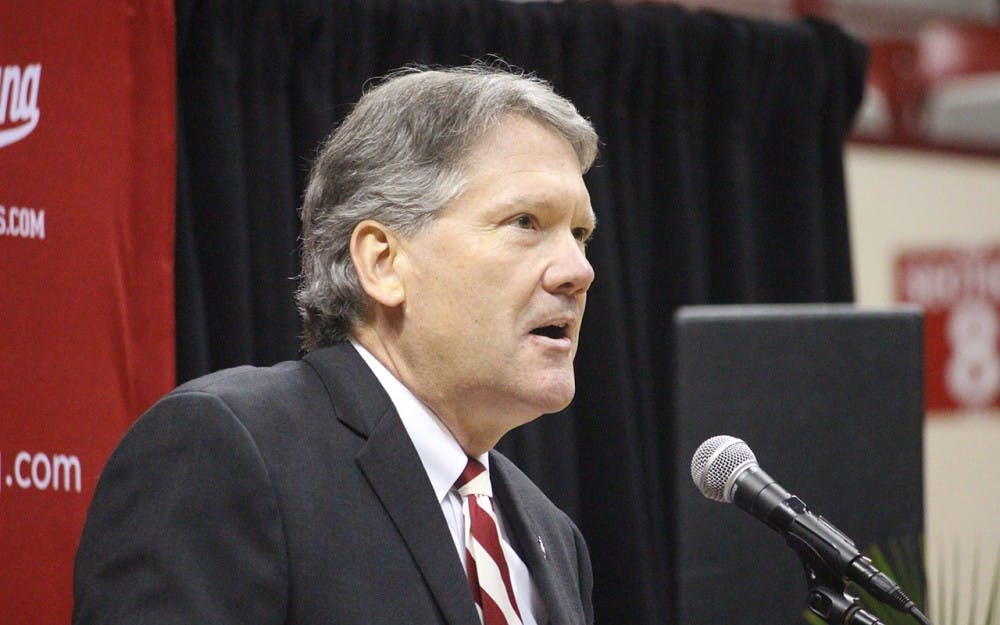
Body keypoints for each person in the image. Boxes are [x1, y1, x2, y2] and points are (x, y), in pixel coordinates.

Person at [73, 64, 599, 625]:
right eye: (525, 222)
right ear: (382, 262)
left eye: (580, 234)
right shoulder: (227, 451)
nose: (578, 270)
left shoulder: (550, 535)